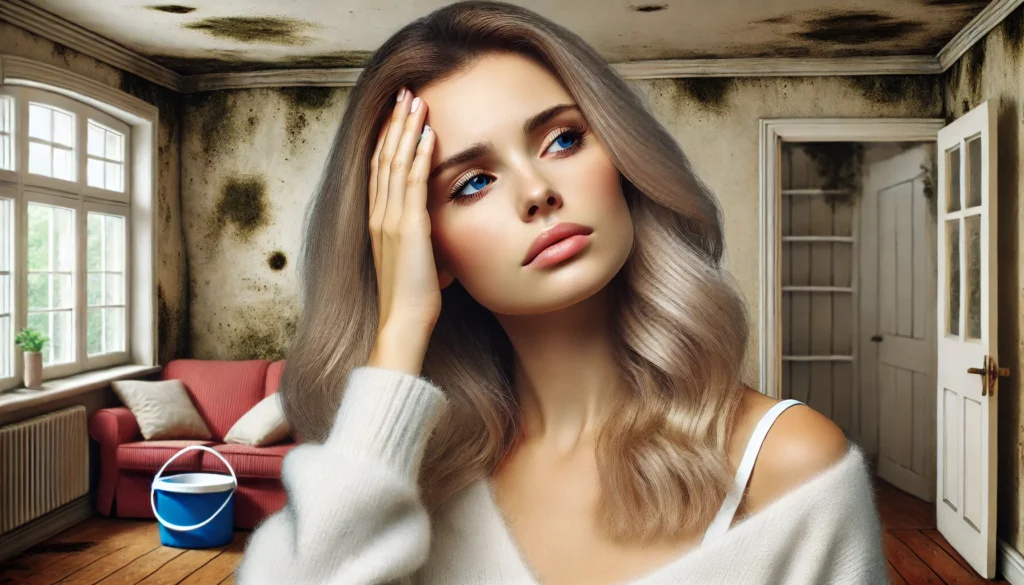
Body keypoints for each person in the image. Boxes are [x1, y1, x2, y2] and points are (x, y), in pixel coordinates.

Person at [236, 2, 888, 583]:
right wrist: (401, 323)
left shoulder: (787, 462)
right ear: (423, 241)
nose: (537, 191)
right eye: (472, 182)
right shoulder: (418, 486)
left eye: (563, 139)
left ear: (621, 156)